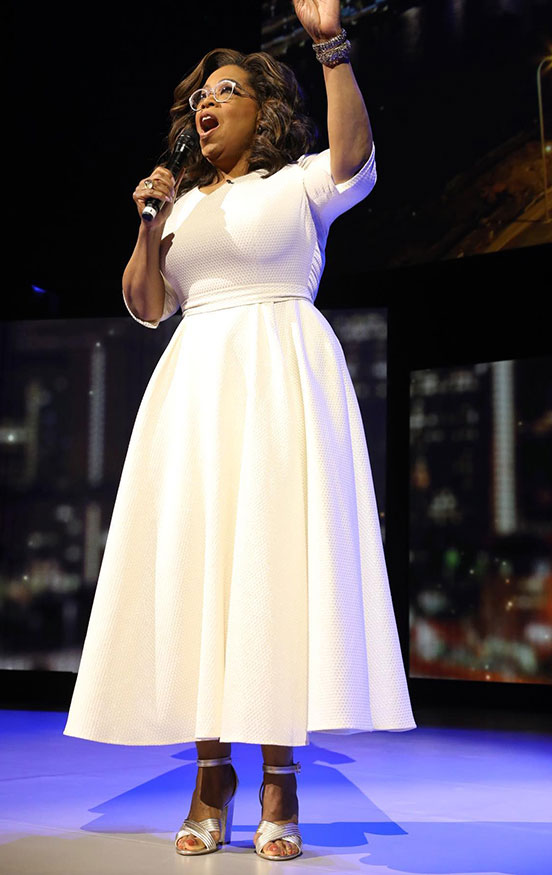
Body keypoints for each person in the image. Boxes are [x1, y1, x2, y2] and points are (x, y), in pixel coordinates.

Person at [63, 0, 416, 861]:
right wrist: (150, 220)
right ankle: (210, 771)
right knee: (202, 570)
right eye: (196, 99)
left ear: (265, 110)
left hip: (282, 375)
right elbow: (147, 305)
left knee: (274, 567)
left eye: (225, 92)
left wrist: (330, 45)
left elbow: (357, 157)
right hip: (196, 387)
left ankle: (279, 776)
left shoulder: (297, 182)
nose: (204, 106)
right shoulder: (178, 205)